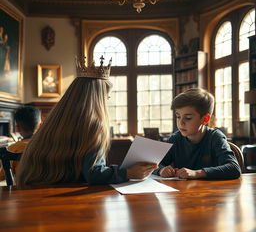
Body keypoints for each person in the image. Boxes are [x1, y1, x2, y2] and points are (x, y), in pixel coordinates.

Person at [16, 57, 157, 187]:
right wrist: (128, 173)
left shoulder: (57, 119)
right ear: (99, 98)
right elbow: (94, 174)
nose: (106, 102)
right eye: (107, 97)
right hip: (57, 196)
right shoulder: (94, 125)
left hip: (32, 189)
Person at [154, 88, 241, 180]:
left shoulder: (215, 137)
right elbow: (155, 163)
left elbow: (234, 168)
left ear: (205, 119)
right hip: (182, 192)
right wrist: (161, 170)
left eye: (188, 118)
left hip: (211, 192)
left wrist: (197, 173)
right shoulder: (175, 139)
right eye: (178, 116)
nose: (181, 122)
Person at [0, 106, 41, 181]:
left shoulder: (12, 149)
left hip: (22, 190)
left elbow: (3, 175)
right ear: (40, 125)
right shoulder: (49, 144)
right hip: (50, 188)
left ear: (18, 128)